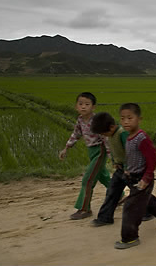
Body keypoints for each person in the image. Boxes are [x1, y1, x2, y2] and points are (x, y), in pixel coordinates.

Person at [115, 103, 156, 249]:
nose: (125, 122)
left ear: (139, 119)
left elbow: (152, 159)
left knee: (131, 207)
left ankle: (130, 238)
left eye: (130, 118)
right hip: (133, 177)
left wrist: (146, 178)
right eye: (123, 118)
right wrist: (127, 170)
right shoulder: (129, 137)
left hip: (143, 179)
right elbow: (132, 157)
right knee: (147, 201)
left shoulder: (141, 138)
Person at [89, 112, 153, 226]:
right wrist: (114, 162)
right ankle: (105, 217)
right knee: (112, 192)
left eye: (104, 133)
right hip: (120, 169)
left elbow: (130, 152)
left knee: (139, 193)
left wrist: (128, 168)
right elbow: (114, 151)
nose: (104, 136)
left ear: (112, 127)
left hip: (131, 170)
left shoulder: (122, 134)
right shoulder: (111, 135)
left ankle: (149, 212)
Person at [59, 92, 111, 220]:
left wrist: (111, 154)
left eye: (87, 104)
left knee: (88, 179)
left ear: (93, 107)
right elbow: (76, 134)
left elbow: (105, 137)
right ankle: (120, 195)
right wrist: (66, 148)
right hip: (91, 151)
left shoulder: (96, 120)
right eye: (80, 104)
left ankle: (84, 209)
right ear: (76, 106)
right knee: (103, 176)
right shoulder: (80, 120)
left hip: (100, 150)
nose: (83, 107)